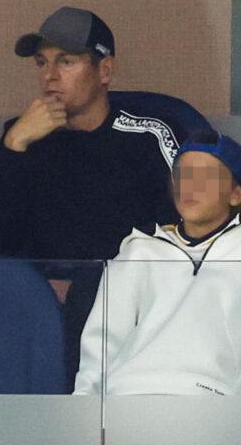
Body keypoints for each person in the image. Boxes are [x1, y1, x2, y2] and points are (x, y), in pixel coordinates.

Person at [0, 6, 186, 386]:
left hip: (133, 308)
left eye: (66, 61)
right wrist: (15, 146)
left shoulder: (149, 135)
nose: (49, 77)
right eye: (41, 63)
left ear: (104, 71)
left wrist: (99, 289)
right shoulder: (21, 136)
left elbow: (188, 234)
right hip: (36, 308)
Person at [74, 129, 241, 396]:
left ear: (236, 195)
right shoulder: (139, 249)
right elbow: (102, 345)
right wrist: (85, 413)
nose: (189, 186)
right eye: (182, 176)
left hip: (212, 404)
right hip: (126, 397)